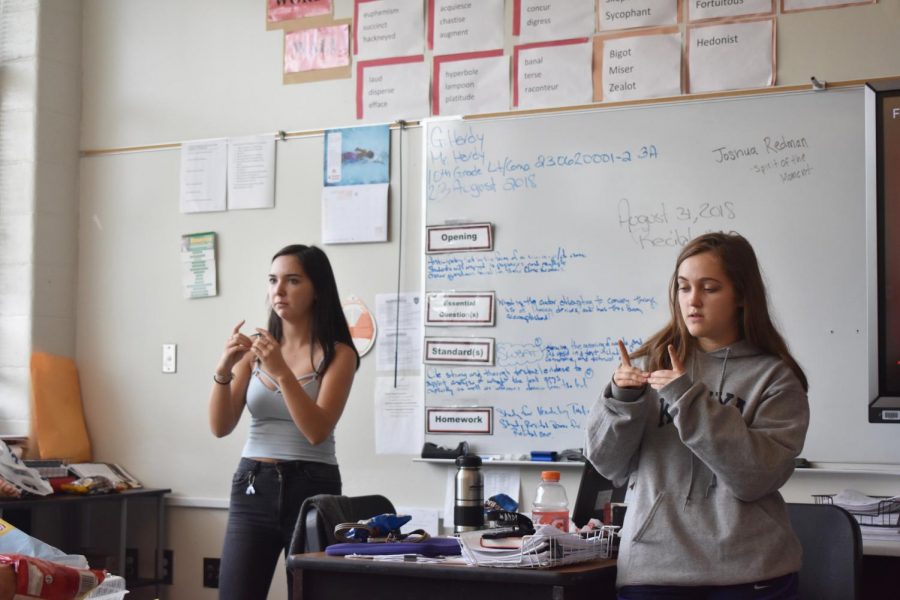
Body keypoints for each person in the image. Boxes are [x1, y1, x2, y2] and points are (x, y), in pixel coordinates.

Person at [585, 232, 809, 600]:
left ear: (740, 296)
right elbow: (607, 464)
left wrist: (687, 398)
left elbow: (755, 477)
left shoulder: (775, 378)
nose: (693, 301)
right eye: (684, 288)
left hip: (751, 573)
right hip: (654, 570)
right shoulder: (648, 365)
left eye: (710, 288)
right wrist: (621, 399)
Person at [208, 244, 359, 600]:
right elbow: (220, 426)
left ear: (317, 289)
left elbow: (316, 431)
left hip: (312, 487)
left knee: (310, 593)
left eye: (292, 281)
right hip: (252, 485)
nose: (279, 290)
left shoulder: (340, 354)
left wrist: (281, 372)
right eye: (273, 280)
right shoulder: (256, 351)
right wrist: (223, 369)